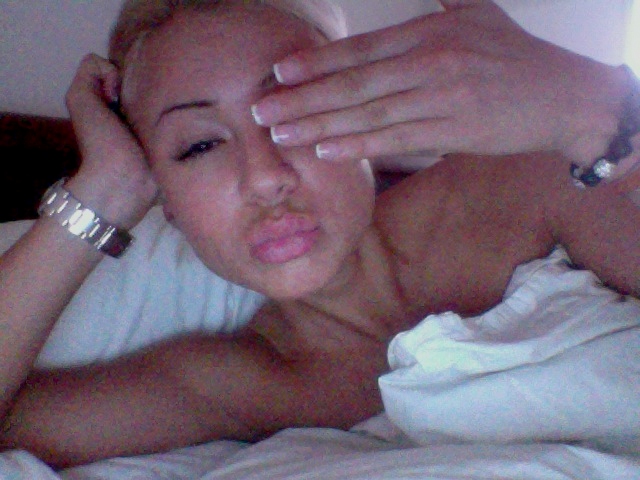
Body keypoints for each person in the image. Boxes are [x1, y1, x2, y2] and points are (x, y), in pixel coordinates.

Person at [0, 0, 638, 469]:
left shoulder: (537, 177)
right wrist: (102, 193)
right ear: (163, 201)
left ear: (364, 106)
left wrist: (600, 110)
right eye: (198, 146)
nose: (265, 178)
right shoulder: (246, 383)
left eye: (295, 112)